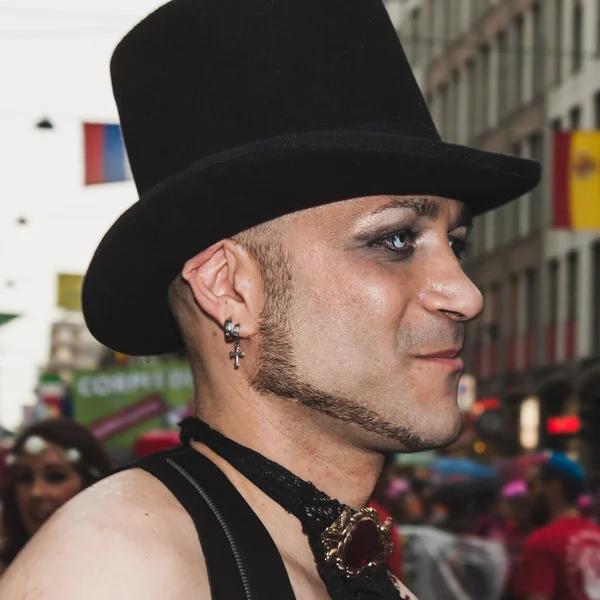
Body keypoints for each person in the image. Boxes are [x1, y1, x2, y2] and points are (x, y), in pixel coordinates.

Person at [0, 0, 540, 598]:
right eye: (394, 240)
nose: (465, 295)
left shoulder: (336, 560)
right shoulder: (118, 566)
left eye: (455, 245)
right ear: (229, 287)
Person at [0, 418, 113, 573]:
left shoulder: (125, 566)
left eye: (55, 477)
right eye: (25, 478)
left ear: (91, 484)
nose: (36, 492)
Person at [515, 452, 600, 600]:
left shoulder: (542, 543)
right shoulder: (596, 536)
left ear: (554, 486)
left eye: (532, 486)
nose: (526, 495)